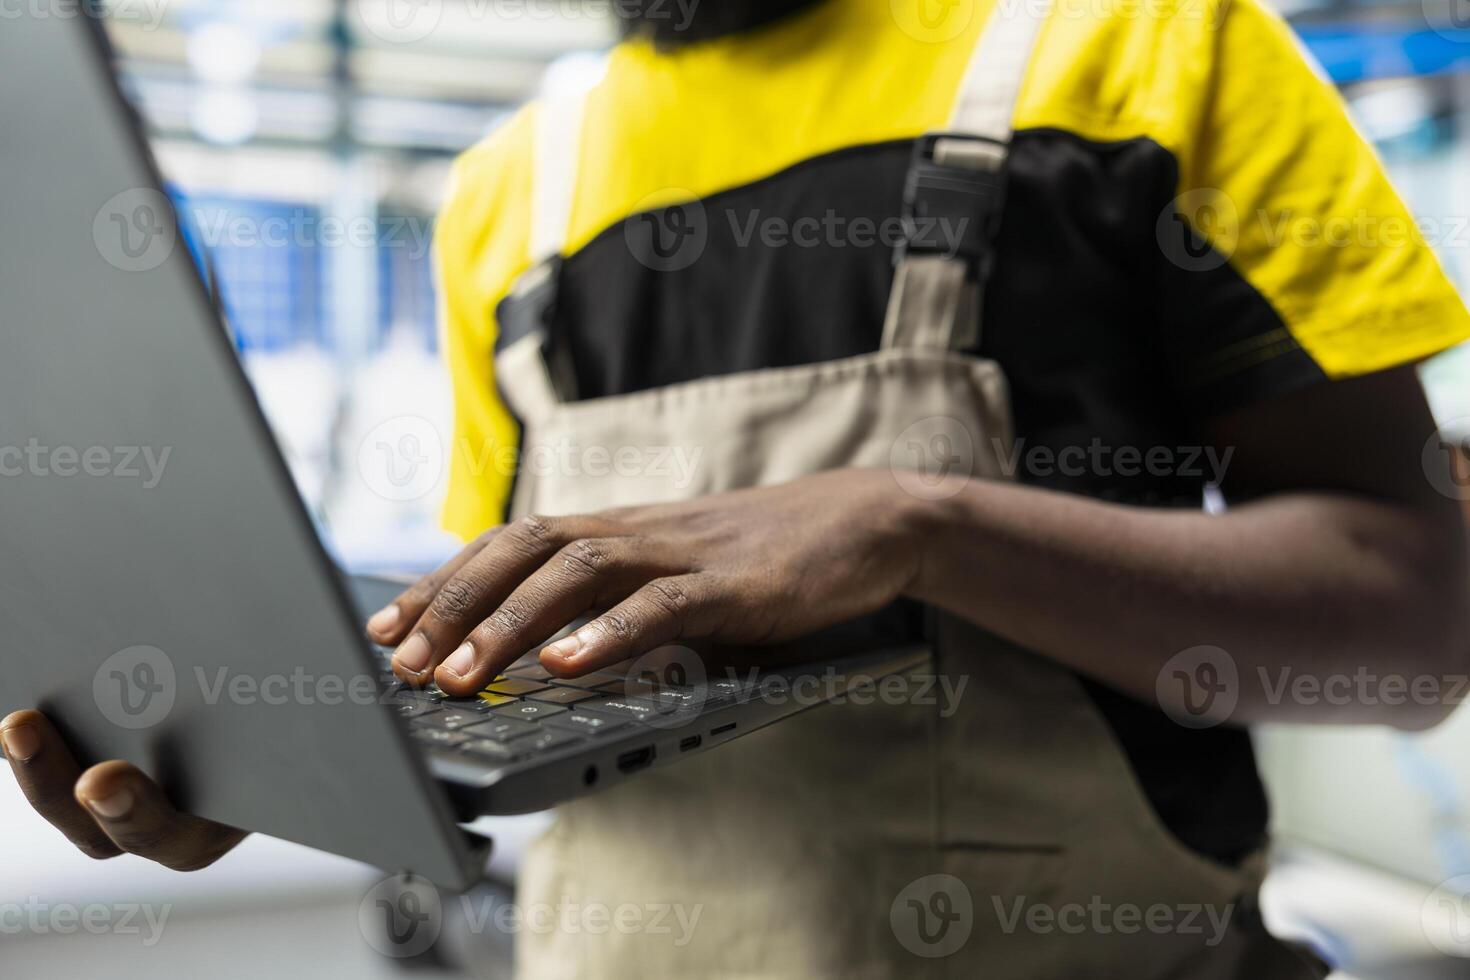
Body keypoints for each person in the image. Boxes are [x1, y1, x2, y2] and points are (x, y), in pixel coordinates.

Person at [6, 0, 1470, 975]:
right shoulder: (505, 192)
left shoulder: (1153, 50)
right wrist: (280, 765)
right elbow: (512, 682)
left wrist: (914, 523)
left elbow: (1414, 636)